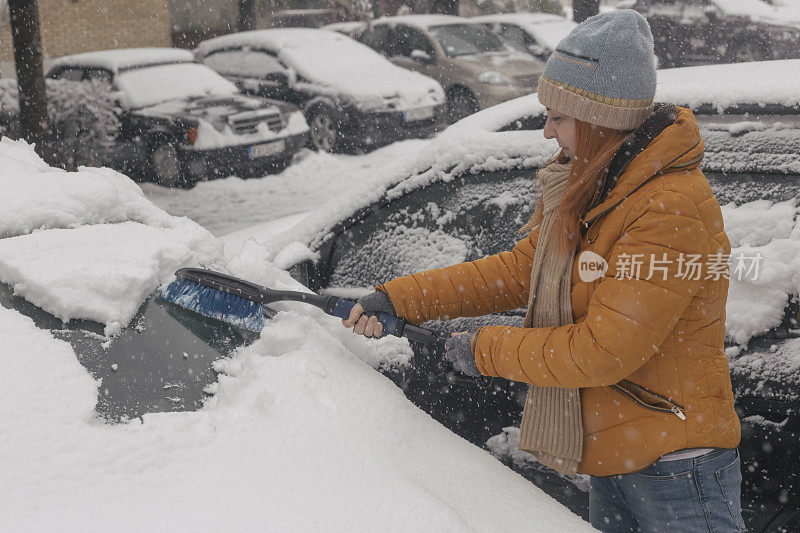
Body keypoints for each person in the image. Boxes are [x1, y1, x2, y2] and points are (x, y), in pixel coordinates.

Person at [342, 9, 744, 532]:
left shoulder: (668, 207)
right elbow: (518, 270)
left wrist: (478, 349)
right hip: (617, 450)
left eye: (558, 115)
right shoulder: (596, 188)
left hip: (676, 464)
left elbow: (603, 350)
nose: (547, 131)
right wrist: (399, 298)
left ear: (598, 118)